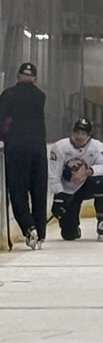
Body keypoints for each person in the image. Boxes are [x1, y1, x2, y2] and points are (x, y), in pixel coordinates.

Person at [0, 62, 49, 249]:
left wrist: (4, 134)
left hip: (17, 149)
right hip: (38, 149)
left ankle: (29, 228)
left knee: (19, 192)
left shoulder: (9, 94)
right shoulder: (40, 96)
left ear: (18, 76)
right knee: (38, 191)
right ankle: (41, 233)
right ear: (35, 78)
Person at [47, 118, 103, 242]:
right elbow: (53, 175)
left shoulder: (96, 146)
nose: (79, 137)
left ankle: (102, 222)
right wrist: (59, 195)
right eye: (77, 132)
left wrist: (86, 173)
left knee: (101, 181)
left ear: (89, 135)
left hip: (86, 186)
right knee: (69, 235)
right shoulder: (60, 147)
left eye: (83, 134)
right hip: (68, 190)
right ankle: (73, 227)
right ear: (73, 132)